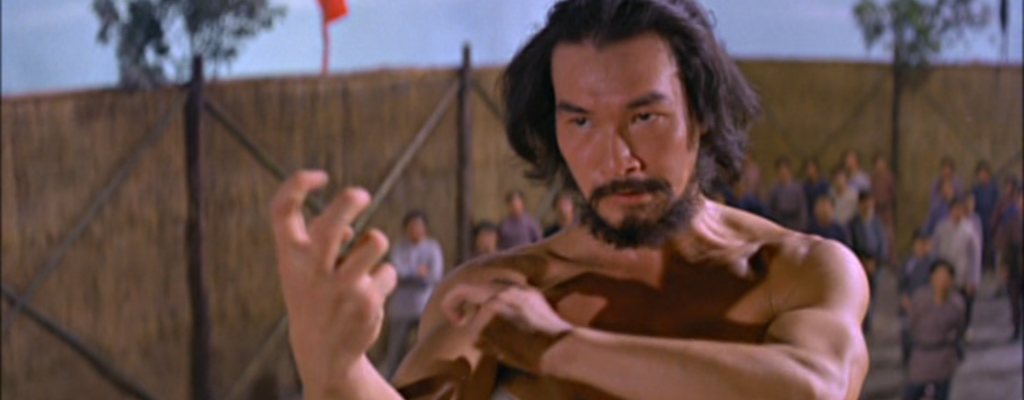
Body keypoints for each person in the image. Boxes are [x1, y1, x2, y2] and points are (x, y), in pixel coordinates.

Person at [269, 1, 870, 399]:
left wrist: (557, 347)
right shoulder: (500, 294)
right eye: (581, 121)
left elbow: (816, 388)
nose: (617, 158)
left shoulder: (795, 269)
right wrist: (334, 371)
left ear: (702, 114)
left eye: (645, 116)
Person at [380, 210, 445, 379]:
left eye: (419, 226)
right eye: (412, 226)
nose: (415, 229)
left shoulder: (432, 247)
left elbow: (435, 275)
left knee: (427, 346)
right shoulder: (399, 247)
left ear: (425, 229)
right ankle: (391, 382)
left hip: (424, 305)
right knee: (395, 349)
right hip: (401, 307)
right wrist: (418, 273)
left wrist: (413, 275)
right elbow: (397, 272)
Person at [902, 260, 966, 400]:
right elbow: (912, 323)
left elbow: (959, 330)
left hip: (943, 356)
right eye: (938, 276)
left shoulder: (956, 304)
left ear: (952, 280)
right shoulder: (920, 298)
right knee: (912, 392)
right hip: (921, 354)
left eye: (945, 277)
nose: (942, 281)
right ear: (932, 278)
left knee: (941, 393)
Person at [931, 196, 982, 333]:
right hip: (945, 274)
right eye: (954, 209)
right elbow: (935, 250)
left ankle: (964, 328)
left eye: (960, 209)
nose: (957, 212)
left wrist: (972, 279)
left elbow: (975, 256)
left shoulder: (969, 230)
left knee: (963, 305)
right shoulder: (941, 228)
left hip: (962, 275)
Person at [847, 191, 887, 334]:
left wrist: (876, 262)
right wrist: (861, 262)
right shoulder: (853, 224)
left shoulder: (877, 223)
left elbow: (883, 244)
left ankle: (869, 321)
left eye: (870, 202)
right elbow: (850, 246)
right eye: (865, 202)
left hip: (875, 263)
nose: (868, 206)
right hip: (859, 263)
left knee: (872, 294)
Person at [898, 231, 936, 366]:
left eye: (926, 244)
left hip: (925, 304)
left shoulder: (933, 265)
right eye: (920, 243)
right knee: (907, 332)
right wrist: (903, 296)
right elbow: (901, 282)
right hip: (908, 303)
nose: (923, 247)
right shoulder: (908, 262)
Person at [993, 186, 1022, 341]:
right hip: (1014, 264)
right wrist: (1004, 266)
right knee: (1014, 300)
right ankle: (1017, 328)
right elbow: (1005, 244)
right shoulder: (1012, 219)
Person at [766, 156, 808, 231]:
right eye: (780, 170)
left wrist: (802, 227)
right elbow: (769, 207)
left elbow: (802, 208)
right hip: (779, 222)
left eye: (785, 170)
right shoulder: (774, 188)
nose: (783, 173)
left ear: (789, 170)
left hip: (794, 223)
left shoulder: (797, 187)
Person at [971, 161, 999, 269]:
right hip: (979, 220)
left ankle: (992, 265)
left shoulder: (994, 189)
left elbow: (997, 204)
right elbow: (974, 205)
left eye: (984, 173)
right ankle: (981, 265)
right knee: (980, 244)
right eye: (980, 174)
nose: (982, 176)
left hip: (991, 219)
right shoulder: (976, 189)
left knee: (992, 244)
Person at [871, 154, 897, 267]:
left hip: (886, 212)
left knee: (889, 236)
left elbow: (893, 194)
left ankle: (891, 261)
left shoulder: (889, 178)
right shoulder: (872, 178)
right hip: (875, 211)